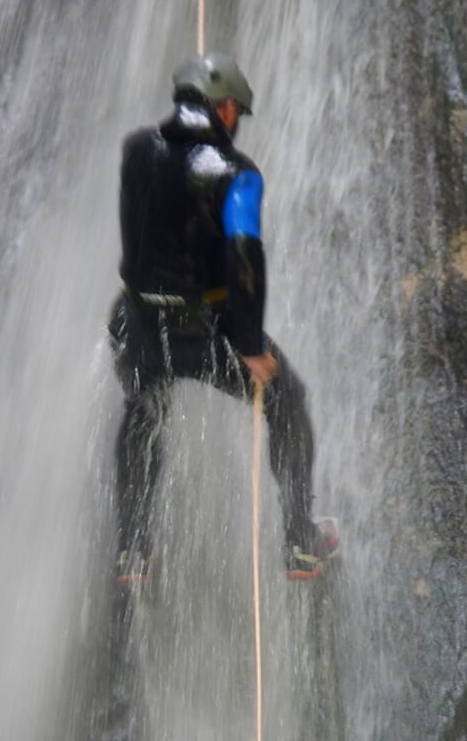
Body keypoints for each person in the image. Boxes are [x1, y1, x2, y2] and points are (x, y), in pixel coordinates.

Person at [108, 53, 338, 584]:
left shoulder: (136, 152)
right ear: (227, 108)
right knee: (287, 400)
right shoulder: (237, 174)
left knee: (143, 407)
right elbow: (243, 256)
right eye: (240, 113)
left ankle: (133, 549)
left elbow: (137, 236)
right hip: (204, 330)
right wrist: (250, 343)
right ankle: (300, 541)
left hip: (141, 324)